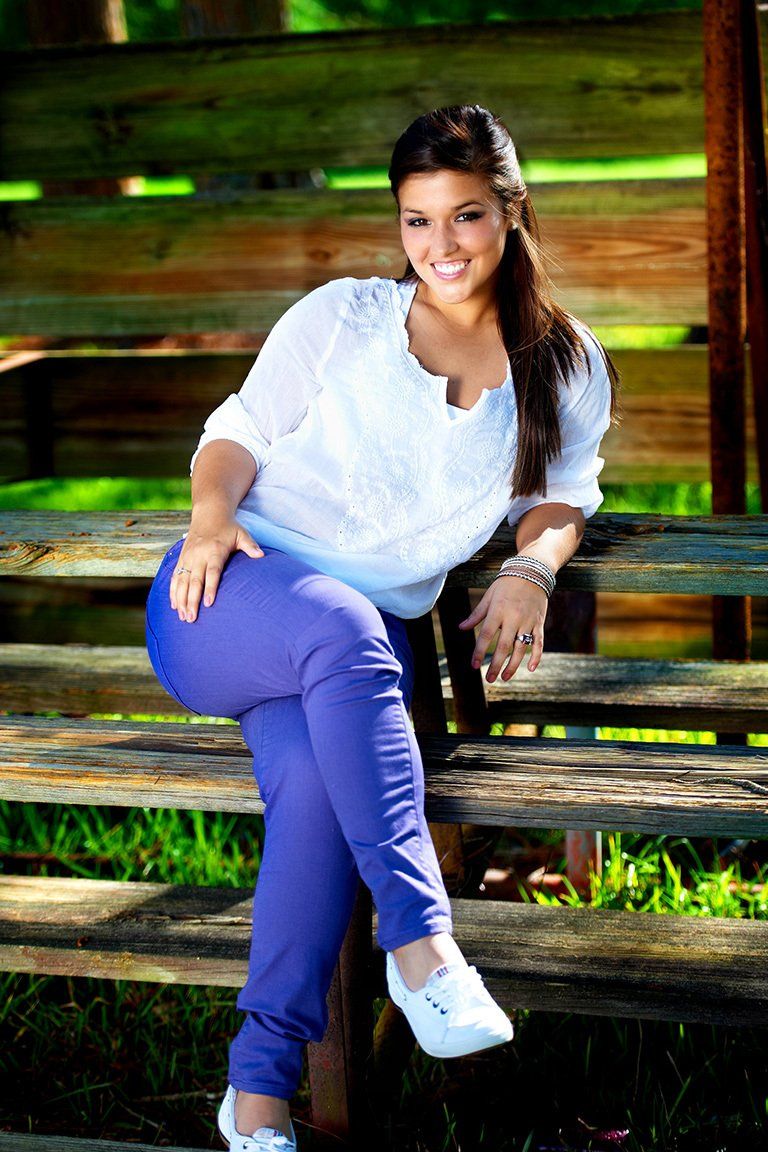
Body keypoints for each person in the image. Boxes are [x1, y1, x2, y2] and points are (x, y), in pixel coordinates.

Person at [144, 103, 620, 1152]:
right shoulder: (344, 318)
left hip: (355, 652)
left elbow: (561, 498)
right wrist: (212, 516)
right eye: (416, 222)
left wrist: (534, 568)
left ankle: (256, 1099)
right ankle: (424, 948)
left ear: (512, 209)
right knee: (352, 638)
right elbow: (237, 432)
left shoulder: (566, 361)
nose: (439, 247)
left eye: (464, 217)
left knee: (315, 805)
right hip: (233, 596)